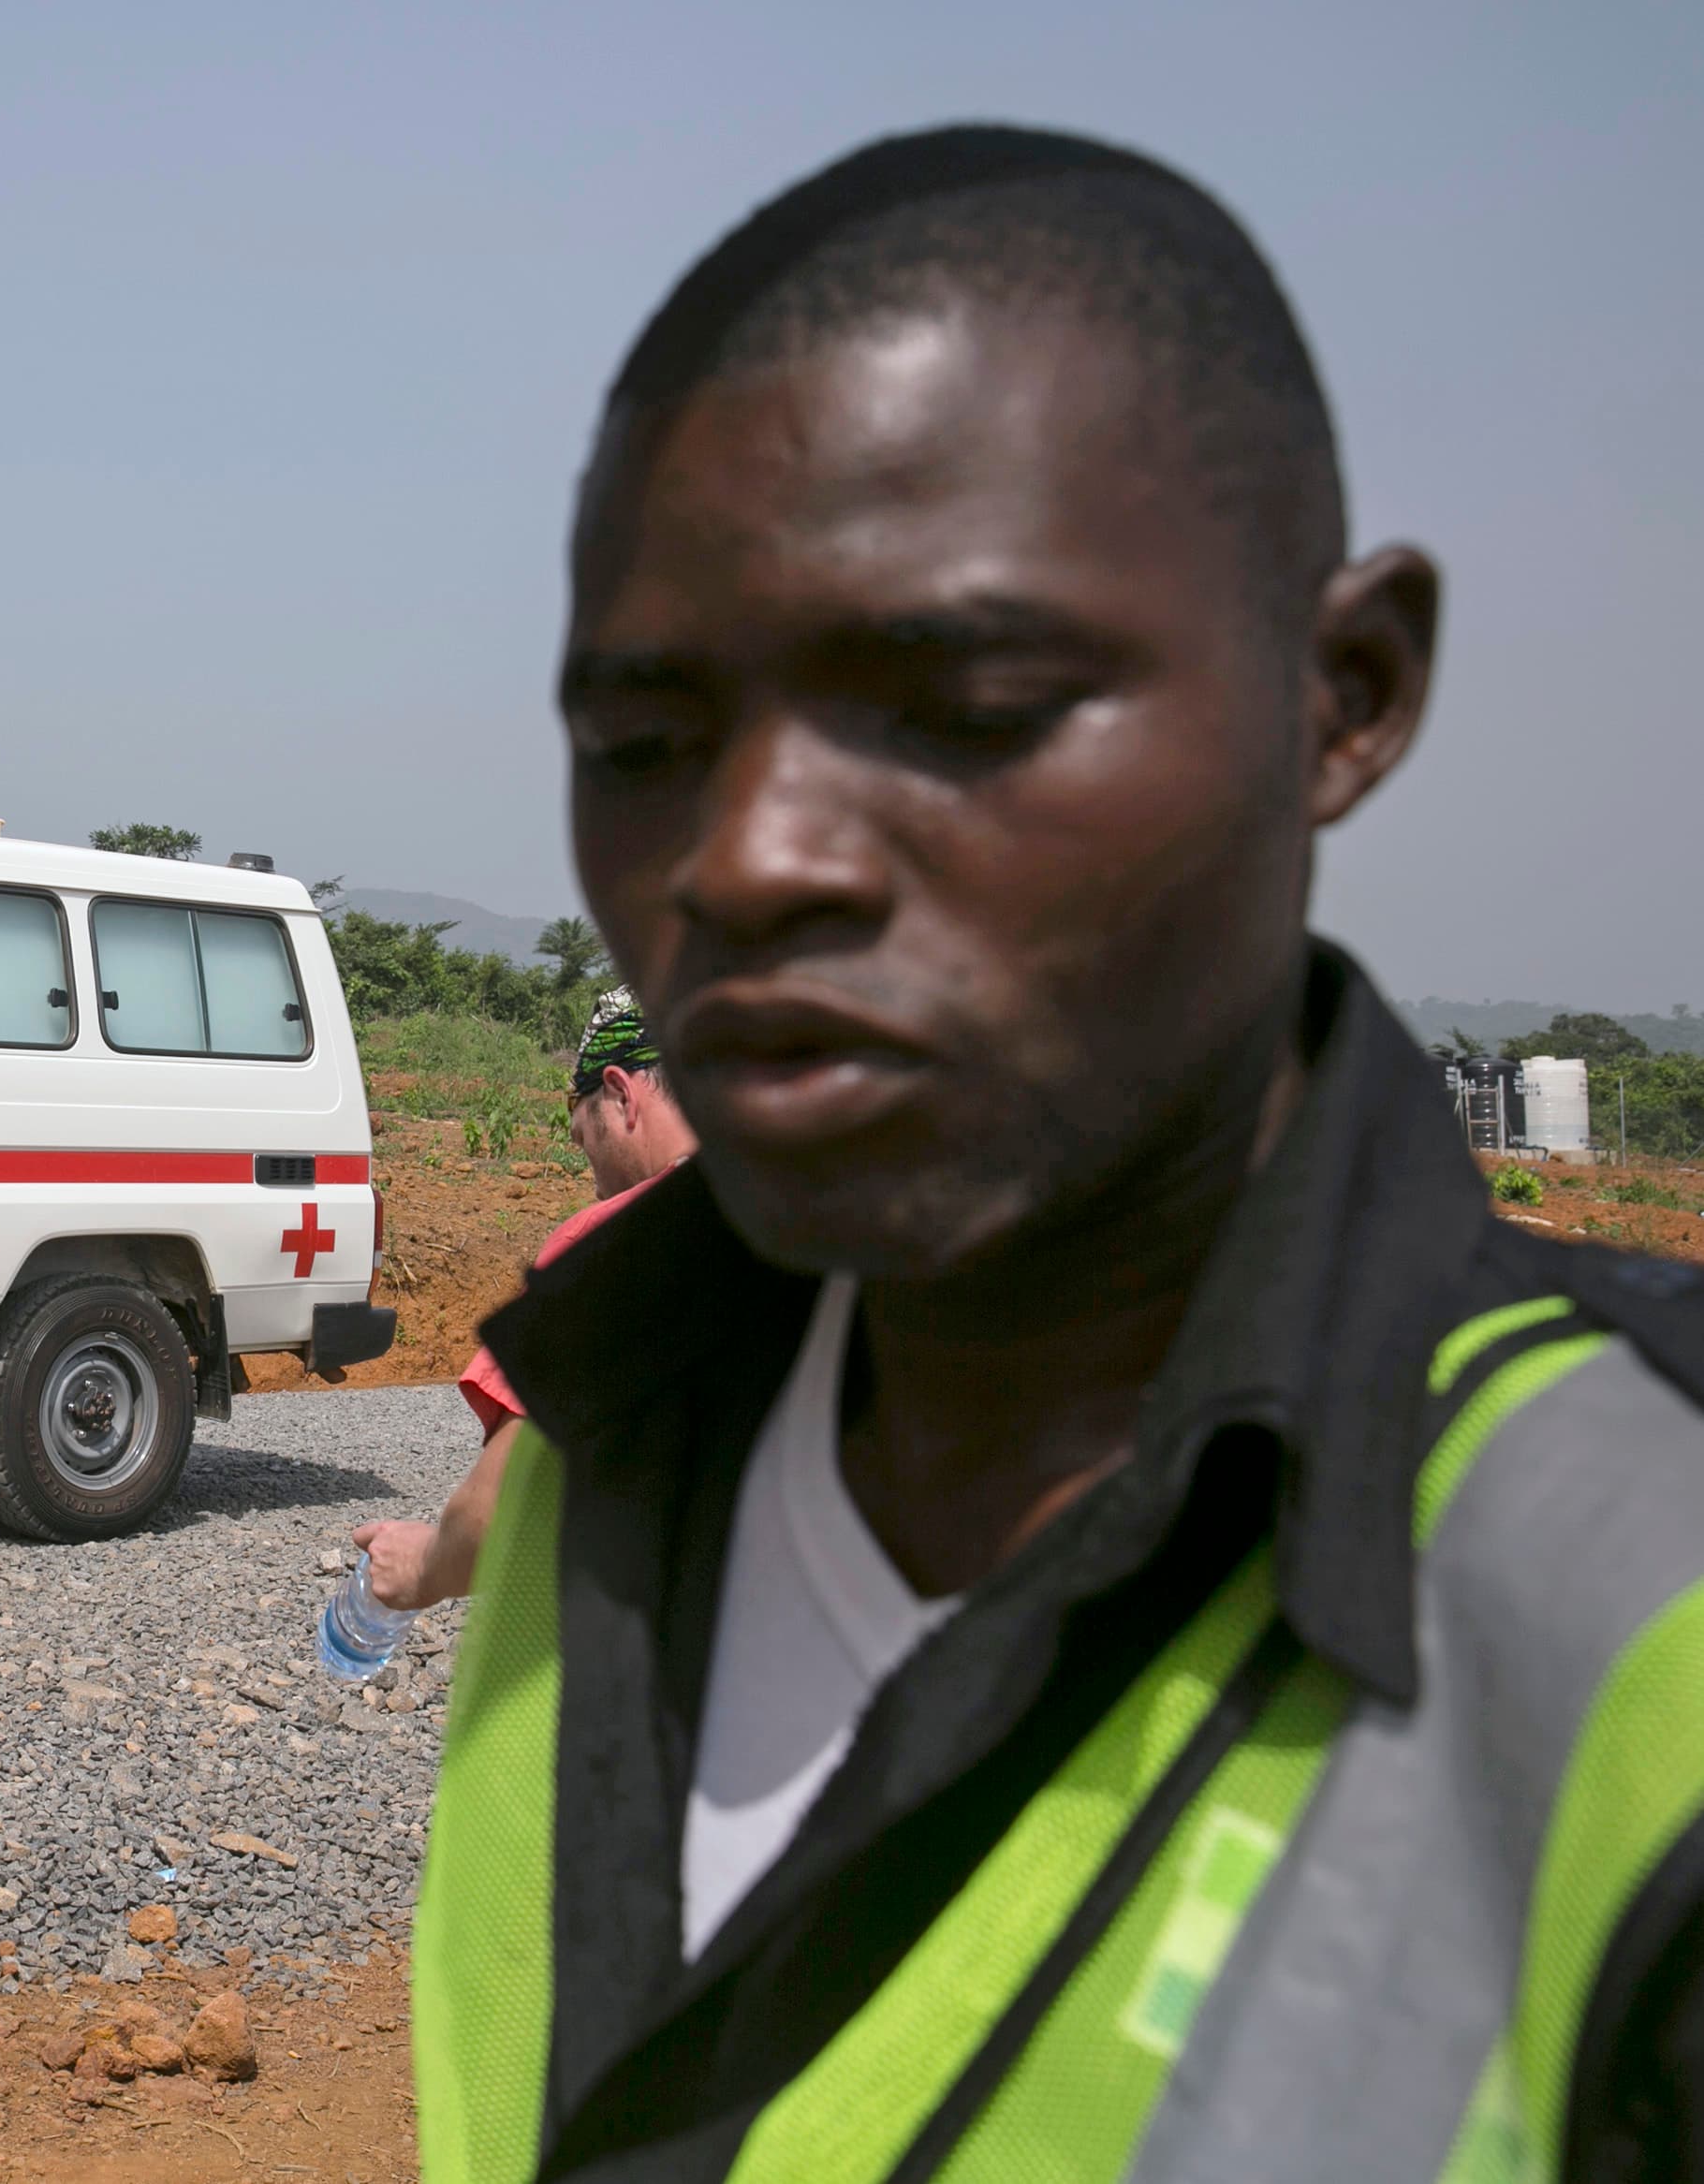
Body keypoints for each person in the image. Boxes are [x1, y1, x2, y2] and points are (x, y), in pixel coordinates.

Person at [413, 125, 1704, 2184]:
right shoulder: (601, 1446)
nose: (745, 858)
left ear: (1340, 693)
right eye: (644, 746)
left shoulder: (1633, 1601)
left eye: (967, 700)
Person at [354, 987, 695, 1610]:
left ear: (620, 1093)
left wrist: (424, 1564)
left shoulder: (617, 1244)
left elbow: (508, 1508)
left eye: (579, 1102)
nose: (572, 1130)